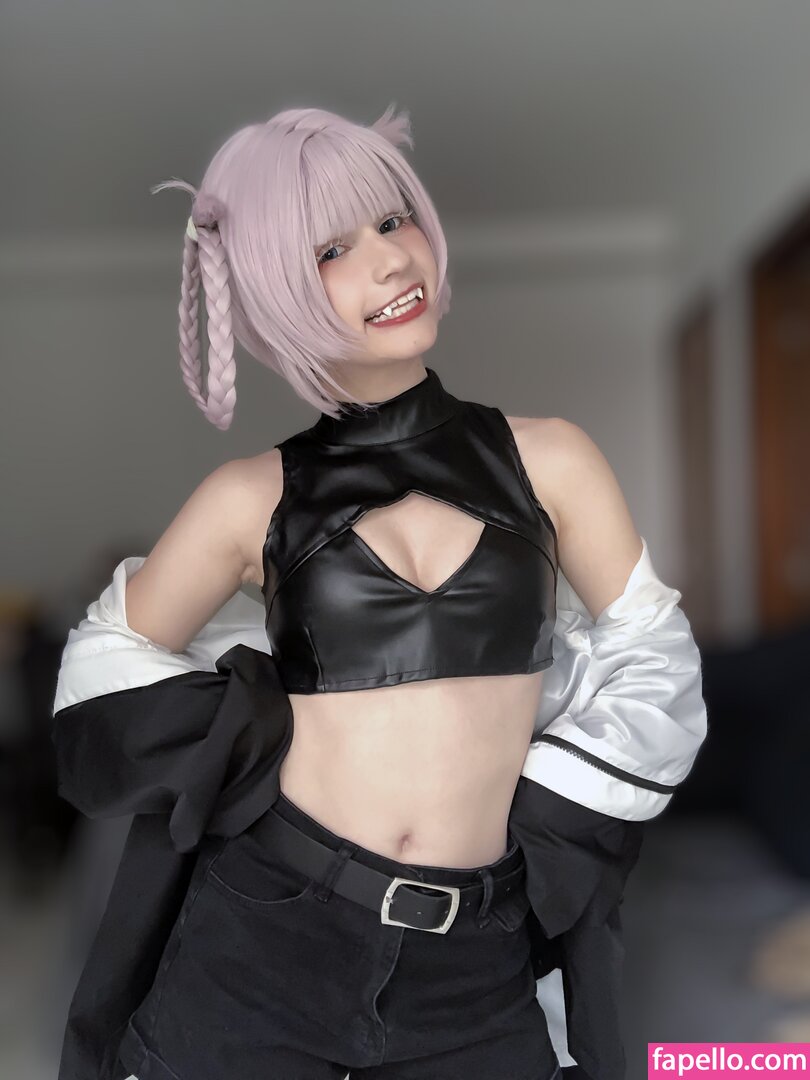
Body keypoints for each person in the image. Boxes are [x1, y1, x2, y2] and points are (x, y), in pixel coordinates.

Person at [50, 104, 708, 1080]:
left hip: (475, 958)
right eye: (332, 250)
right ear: (273, 288)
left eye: (394, 221)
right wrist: (250, 731)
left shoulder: (553, 460)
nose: (393, 259)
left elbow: (654, 654)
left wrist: (550, 802)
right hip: (267, 938)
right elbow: (106, 669)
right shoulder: (246, 498)